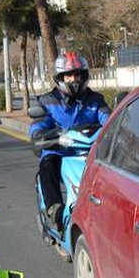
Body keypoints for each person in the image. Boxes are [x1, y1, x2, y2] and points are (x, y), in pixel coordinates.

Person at [29, 51, 111, 231]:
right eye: (68, 75)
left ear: (84, 76)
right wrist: (39, 135)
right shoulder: (47, 101)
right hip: (59, 151)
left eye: (77, 74)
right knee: (47, 164)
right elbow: (38, 124)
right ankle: (53, 209)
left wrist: (117, 126)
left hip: (90, 152)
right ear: (60, 78)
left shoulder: (96, 100)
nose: (74, 79)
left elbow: (108, 118)